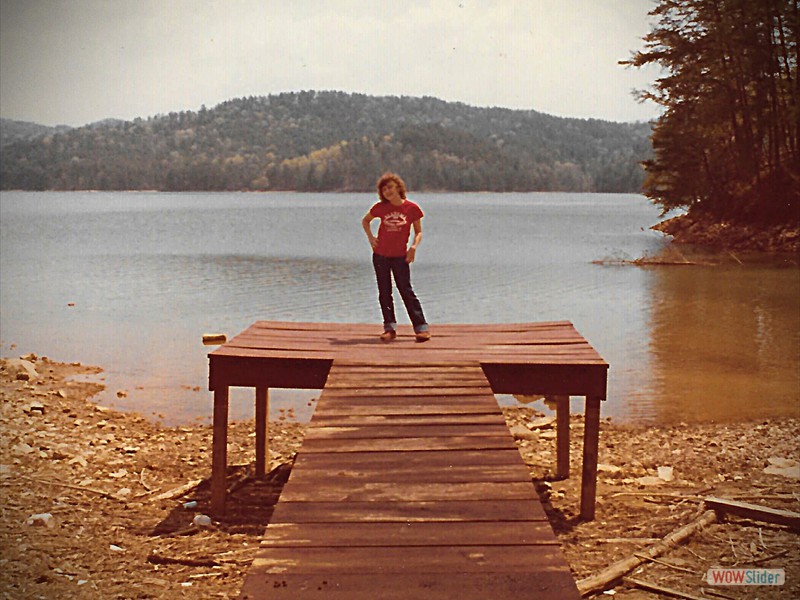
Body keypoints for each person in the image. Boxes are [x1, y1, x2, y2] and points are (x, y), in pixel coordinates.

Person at [361, 172, 431, 342]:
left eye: (390, 187)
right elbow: (365, 221)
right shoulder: (380, 208)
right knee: (384, 292)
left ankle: (421, 328)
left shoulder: (411, 208)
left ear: (398, 187)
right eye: (384, 189)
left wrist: (413, 247)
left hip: (400, 257)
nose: (388, 191)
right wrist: (371, 238)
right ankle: (389, 328)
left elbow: (419, 231)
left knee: (406, 290)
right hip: (381, 256)